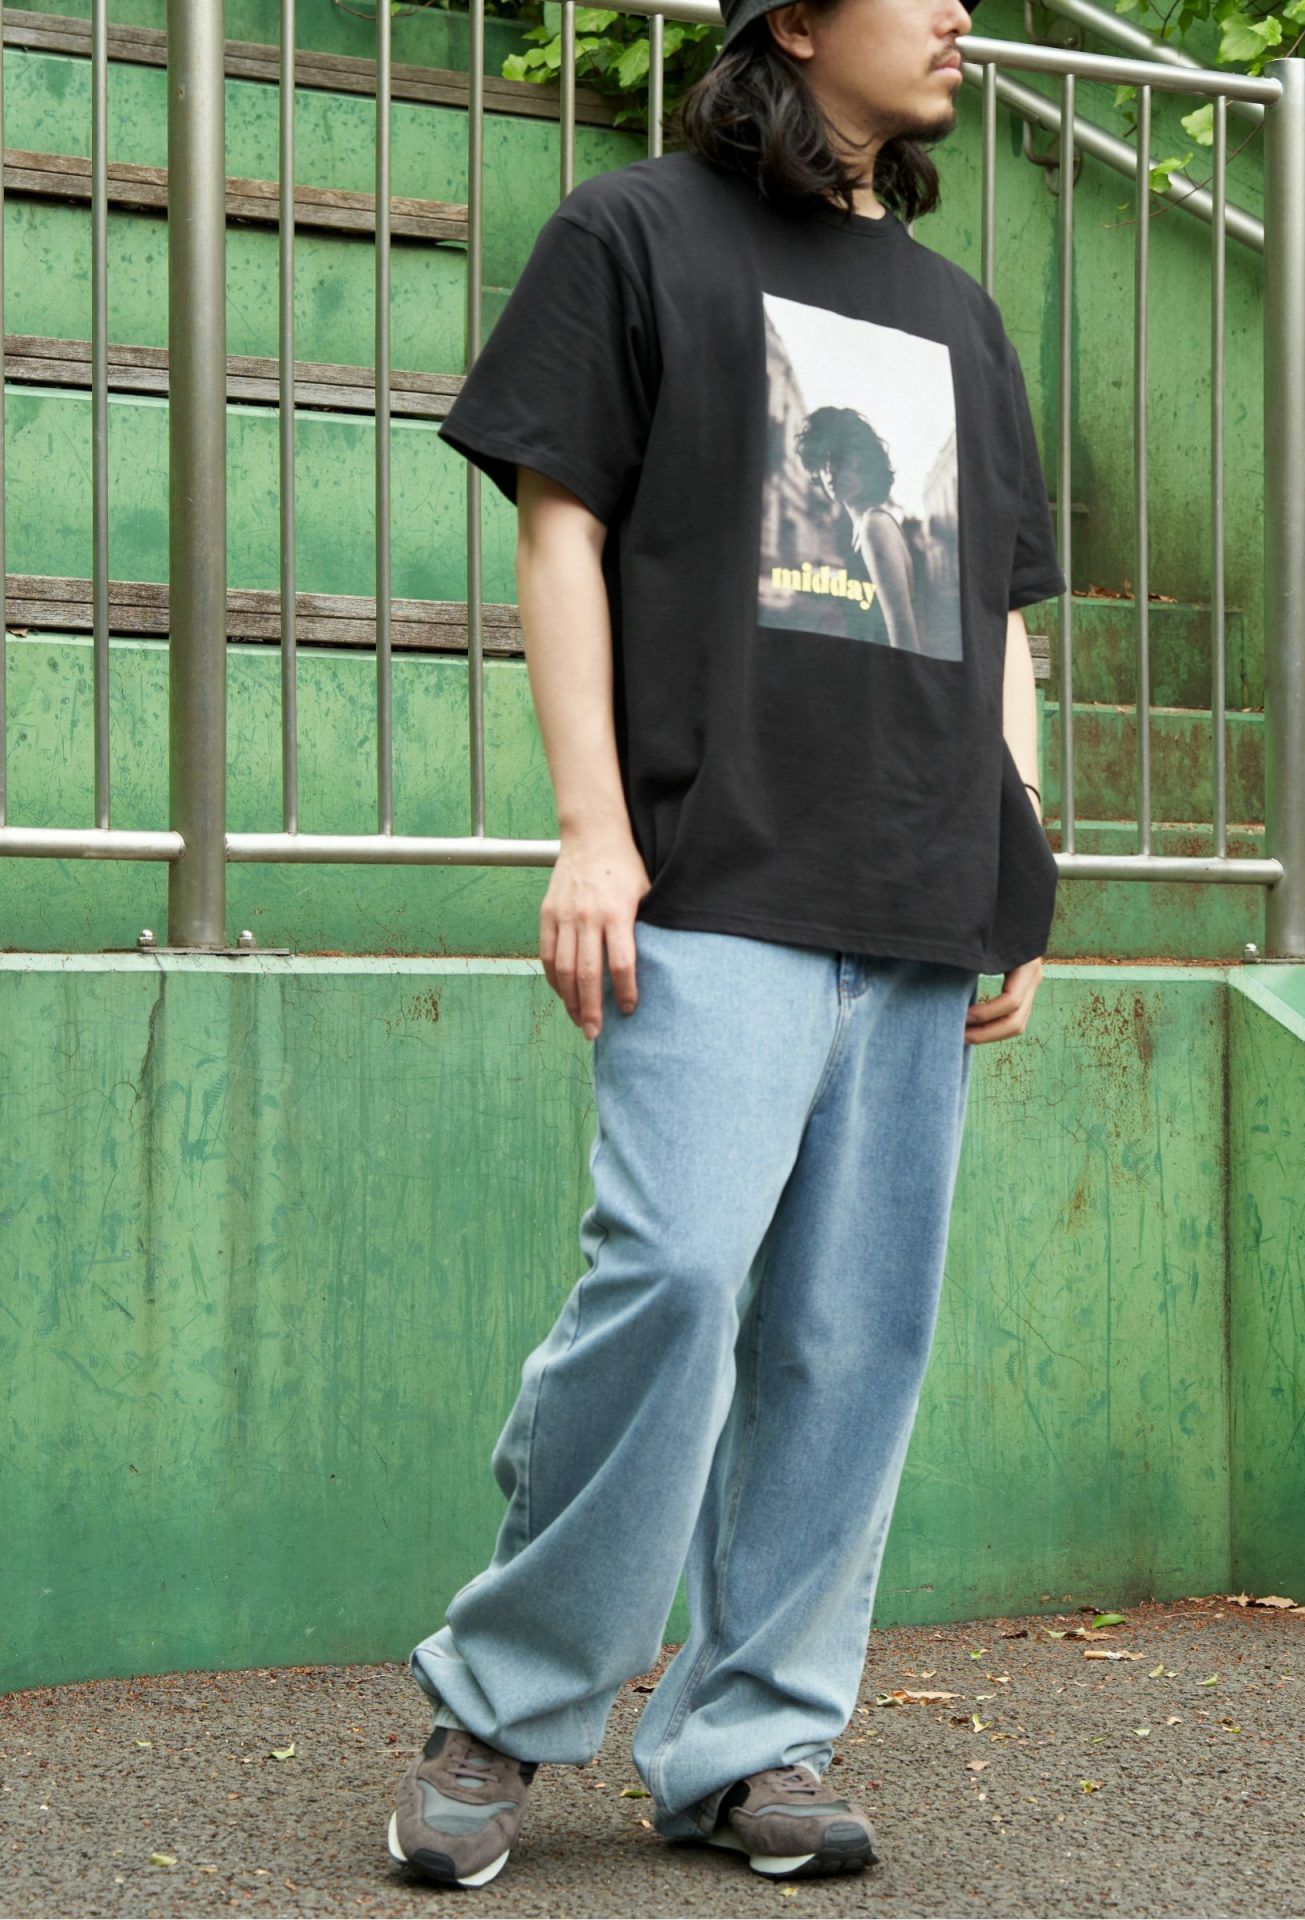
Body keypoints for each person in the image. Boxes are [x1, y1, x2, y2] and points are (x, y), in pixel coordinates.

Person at [386, 0, 1067, 1889]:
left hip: (916, 886)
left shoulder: (957, 317)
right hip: (712, 869)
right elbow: (560, 531)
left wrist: (1021, 859)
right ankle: (507, 1699)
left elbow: (999, 616)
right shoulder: (632, 235)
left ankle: (751, 1741)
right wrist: (590, 829)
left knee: (854, 1337)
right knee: (675, 1274)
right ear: (797, 19)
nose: (960, 14)